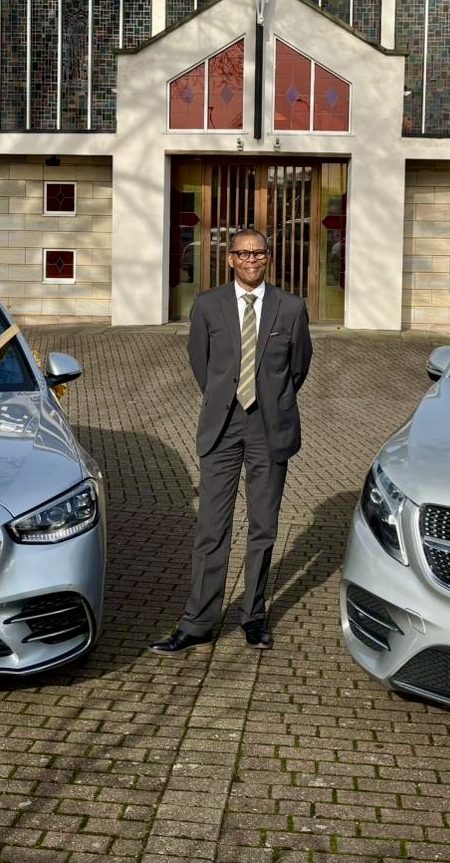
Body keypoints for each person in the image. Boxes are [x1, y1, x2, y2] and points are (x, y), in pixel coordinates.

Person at [151, 227, 313, 654]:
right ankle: (198, 622)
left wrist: (269, 401)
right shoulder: (207, 305)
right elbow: (201, 366)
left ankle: (254, 616)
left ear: (268, 258)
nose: (250, 260)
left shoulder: (292, 308)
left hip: (269, 427)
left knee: (263, 527)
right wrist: (228, 398)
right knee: (211, 527)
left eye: (258, 253)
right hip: (222, 426)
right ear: (229, 259)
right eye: (242, 253)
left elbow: (298, 369)